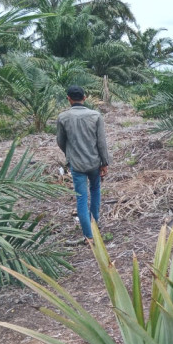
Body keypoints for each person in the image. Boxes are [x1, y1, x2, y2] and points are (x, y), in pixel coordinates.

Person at [56, 85, 111, 243]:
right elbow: (101, 142)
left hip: (77, 165)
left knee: (81, 198)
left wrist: (70, 154)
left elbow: (60, 141)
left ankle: (88, 236)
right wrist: (104, 163)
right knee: (95, 191)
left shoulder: (63, 117)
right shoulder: (95, 115)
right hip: (94, 162)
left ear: (69, 99)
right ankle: (95, 225)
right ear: (85, 97)